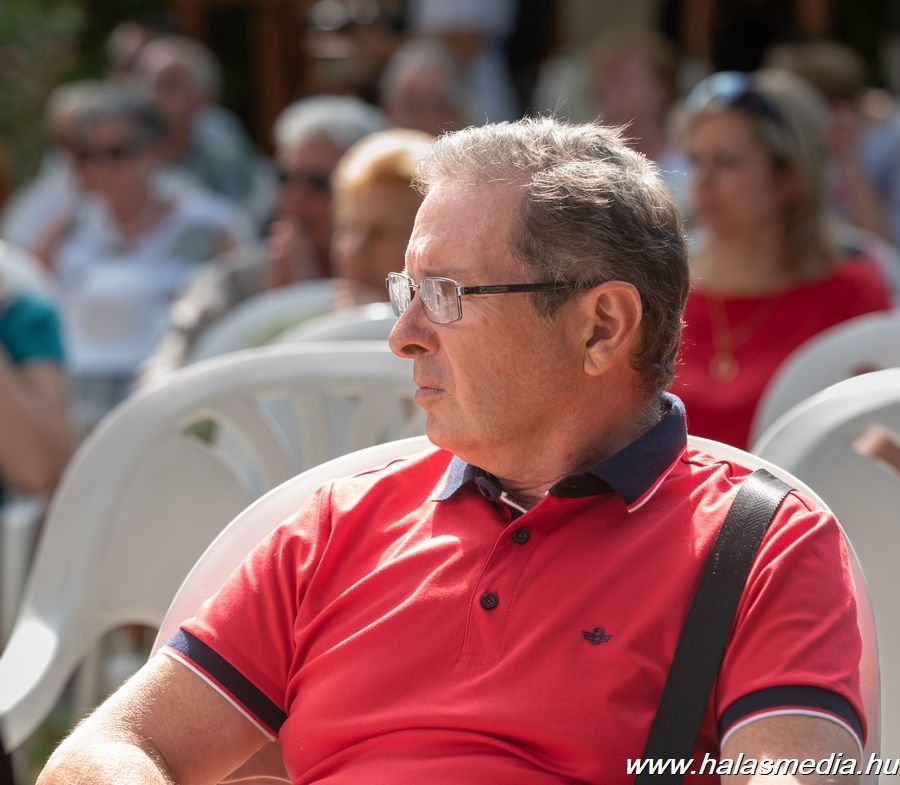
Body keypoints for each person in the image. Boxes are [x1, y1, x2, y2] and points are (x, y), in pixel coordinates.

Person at [38, 117, 865, 784]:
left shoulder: (760, 543)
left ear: (602, 325)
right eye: (408, 291)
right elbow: (111, 747)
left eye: (444, 294)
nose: (402, 334)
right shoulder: (337, 524)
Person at [670, 68, 893, 449]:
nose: (702, 180)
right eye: (695, 159)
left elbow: (877, 444)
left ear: (788, 179)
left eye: (726, 162)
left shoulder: (852, 291)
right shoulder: (664, 286)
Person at [135, 96, 389, 387]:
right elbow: (160, 375)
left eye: (319, 184)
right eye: (285, 178)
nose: (294, 199)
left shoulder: (393, 284)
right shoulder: (233, 283)